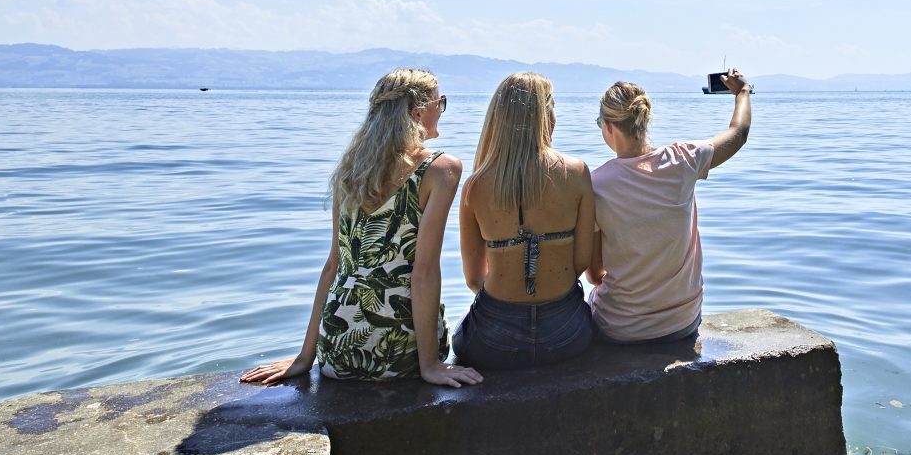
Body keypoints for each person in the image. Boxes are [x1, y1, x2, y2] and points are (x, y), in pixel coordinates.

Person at [241, 69, 482, 387]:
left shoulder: (350, 170)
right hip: (398, 351)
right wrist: (431, 365)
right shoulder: (440, 169)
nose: (443, 109)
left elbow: (333, 266)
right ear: (419, 112)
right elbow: (422, 273)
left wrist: (305, 357)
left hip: (336, 351)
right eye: (442, 101)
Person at [586, 69, 751, 344]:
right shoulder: (684, 160)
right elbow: (739, 133)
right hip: (682, 322)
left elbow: (594, 274)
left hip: (621, 328)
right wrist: (742, 92)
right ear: (644, 119)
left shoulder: (595, 185)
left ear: (608, 126)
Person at [451, 72, 597, 369]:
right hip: (567, 332)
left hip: (493, 338)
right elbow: (581, 262)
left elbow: (473, 279)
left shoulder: (475, 186)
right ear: (545, 116)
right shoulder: (576, 172)